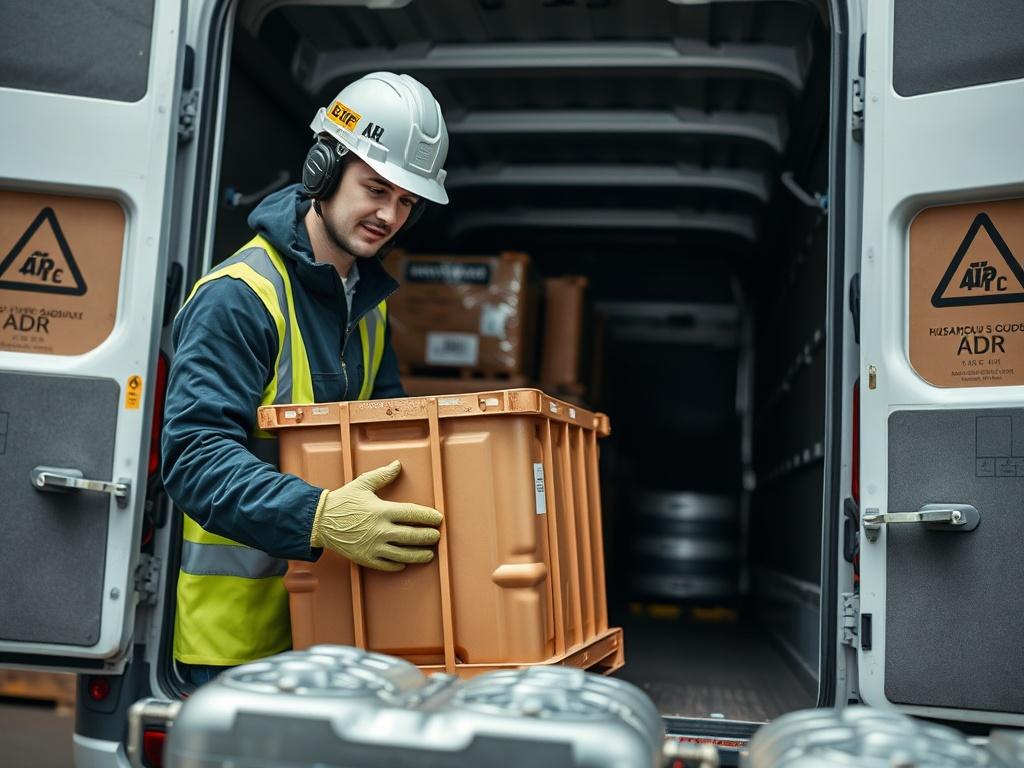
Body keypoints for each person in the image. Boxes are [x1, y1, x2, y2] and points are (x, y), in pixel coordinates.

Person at [161, 72, 449, 687]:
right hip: (233, 650)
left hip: (334, 640)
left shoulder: (367, 309)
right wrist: (318, 517)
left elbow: (392, 448)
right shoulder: (241, 297)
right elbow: (194, 459)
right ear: (323, 167)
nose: (389, 215)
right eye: (376, 188)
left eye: (406, 202)